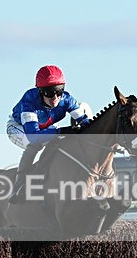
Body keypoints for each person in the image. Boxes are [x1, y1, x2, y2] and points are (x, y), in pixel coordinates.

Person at [6, 65, 92, 203]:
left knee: (60, 143)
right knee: (35, 145)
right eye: (49, 93)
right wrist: (63, 130)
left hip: (46, 126)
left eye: (59, 91)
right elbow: (34, 136)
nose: (55, 98)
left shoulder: (67, 99)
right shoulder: (29, 101)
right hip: (20, 128)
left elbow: (85, 122)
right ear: (40, 91)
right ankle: (19, 186)